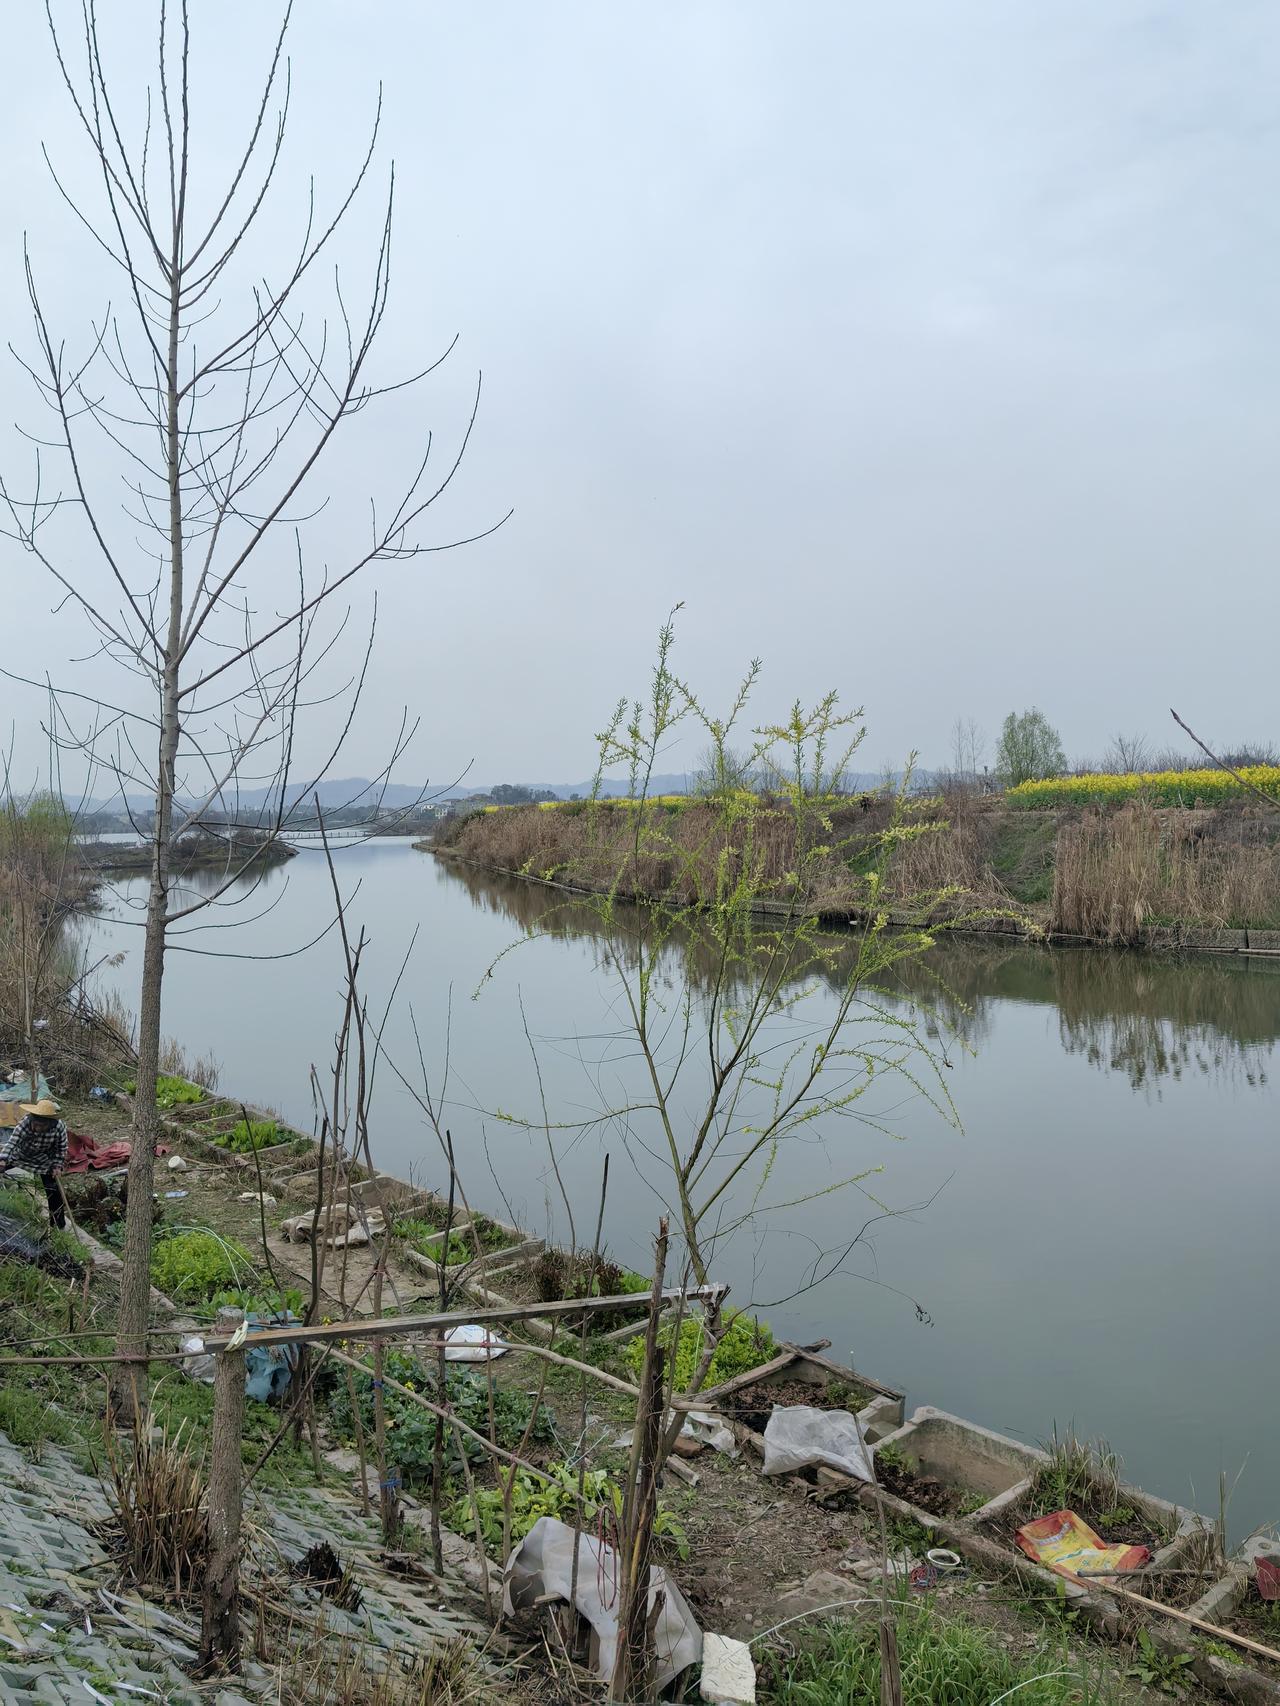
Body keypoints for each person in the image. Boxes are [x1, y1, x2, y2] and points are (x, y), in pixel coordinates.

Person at [0, 1097, 68, 1229]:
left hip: (44, 1160)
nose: (37, 1128)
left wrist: (57, 1166)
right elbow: (12, 1142)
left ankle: (57, 1225)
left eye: (42, 1126)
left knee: (53, 1190)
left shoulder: (59, 1127)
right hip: (21, 1156)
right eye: (36, 1125)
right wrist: (2, 1160)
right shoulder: (25, 1123)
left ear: (49, 1123)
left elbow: (61, 1148)